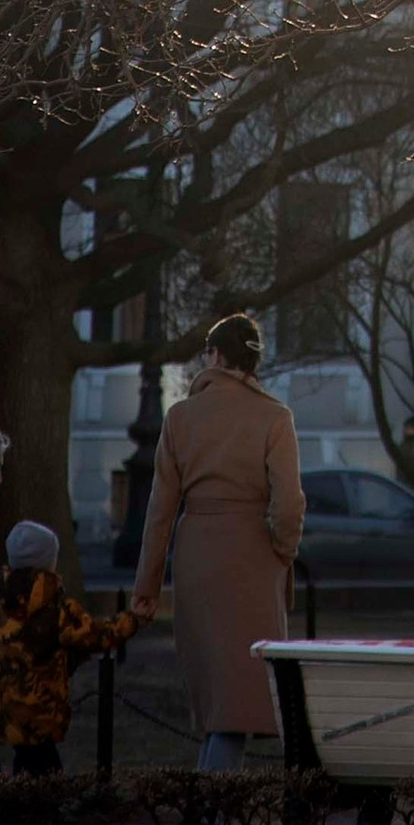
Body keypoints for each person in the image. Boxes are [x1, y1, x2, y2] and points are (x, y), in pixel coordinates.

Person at [131, 312, 306, 767]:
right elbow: (289, 504)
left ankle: (208, 799)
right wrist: (282, 551)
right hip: (253, 559)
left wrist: (147, 587)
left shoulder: (180, 418)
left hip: (196, 555)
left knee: (218, 701)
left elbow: (159, 512)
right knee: (240, 700)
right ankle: (213, 802)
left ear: (215, 355)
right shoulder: (275, 417)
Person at [0, 520, 141, 773]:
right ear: (50, 561)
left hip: (6, 713)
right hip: (43, 714)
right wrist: (133, 619)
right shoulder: (57, 607)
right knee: (46, 774)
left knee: (24, 766)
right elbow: (97, 635)